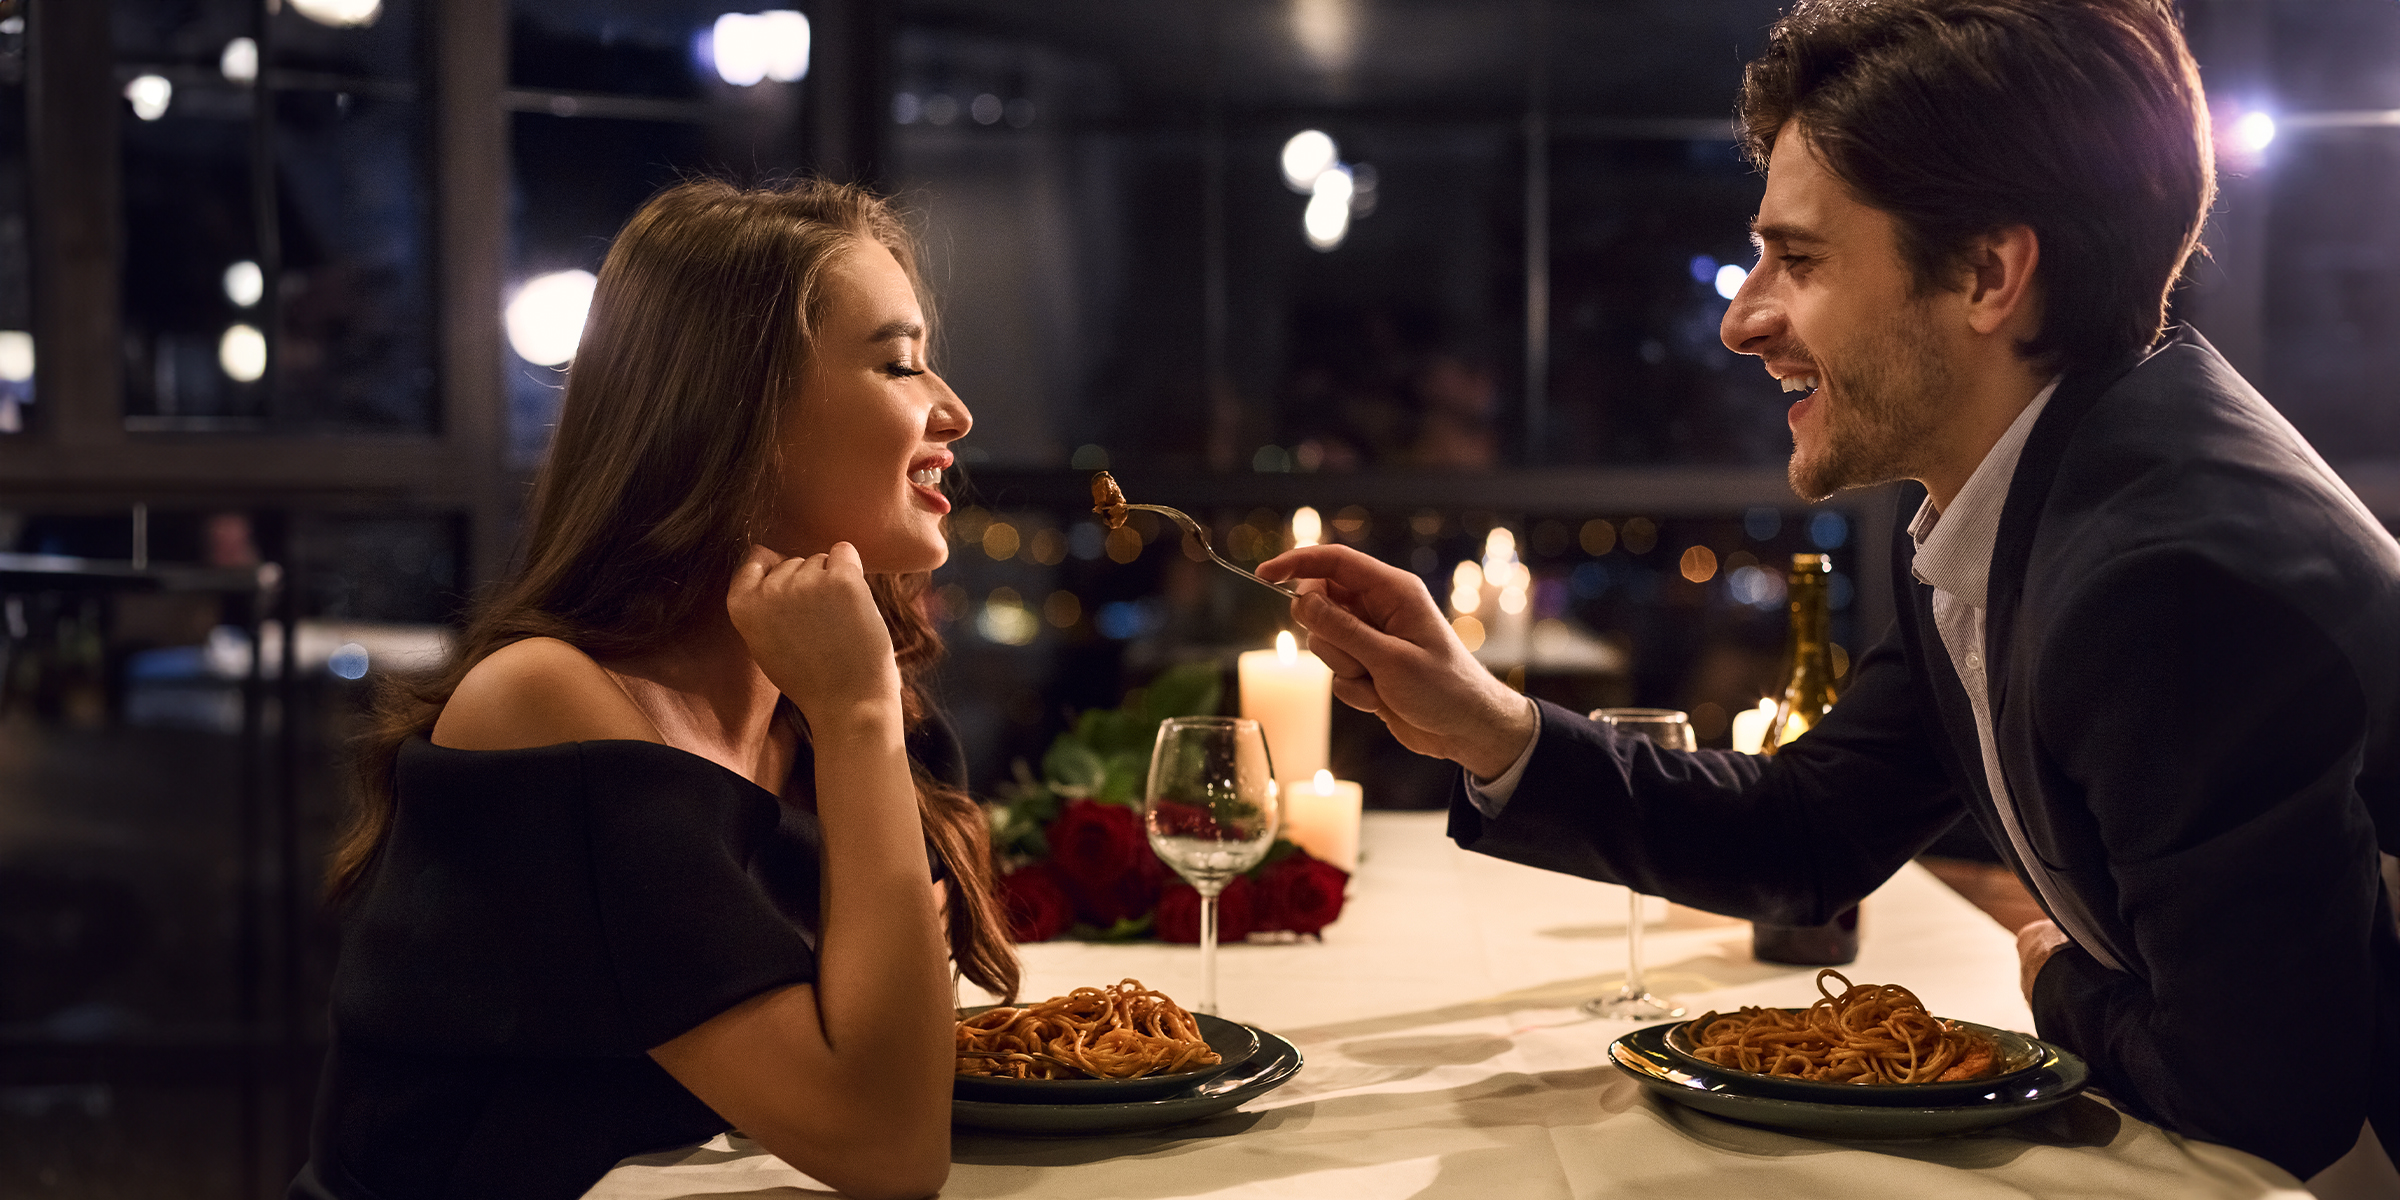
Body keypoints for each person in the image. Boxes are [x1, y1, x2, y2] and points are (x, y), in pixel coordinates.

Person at [1263, 0, 2400, 1192]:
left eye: (1798, 259)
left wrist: (2056, 978)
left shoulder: (2167, 579)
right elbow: (1817, 832)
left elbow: (2266, 1099)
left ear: (1986, 274)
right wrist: (1485, 724)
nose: (1741, 316)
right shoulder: (2032, 487)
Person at [289, 179, 1015, 1200]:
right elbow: (888, 1152)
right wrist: (860, 723)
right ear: (743, 413)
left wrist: (857, 719)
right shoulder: (544, 710)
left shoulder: (820, 704)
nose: (953, 407)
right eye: (898, 361)